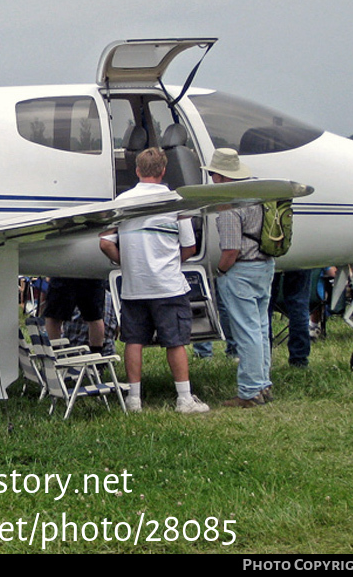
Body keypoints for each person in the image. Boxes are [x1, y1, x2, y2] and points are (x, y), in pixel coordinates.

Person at [98, 147, 208, 414]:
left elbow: (104, 242)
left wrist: (126, 261)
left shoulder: (122, 201)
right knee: (175, 340)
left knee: (134, 340)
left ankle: (133, 398)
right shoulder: (176, 201)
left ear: (137, 171)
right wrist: (171, 260)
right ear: (163, 171)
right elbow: (190, 247)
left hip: (135, 286)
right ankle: (184, 397)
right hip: (168, 284)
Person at [204, 148, 276, 408]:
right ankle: (263, 383)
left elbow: (231, 250)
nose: (212, 178)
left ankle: (249, 391)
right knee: (260, 328)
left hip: (241, 270)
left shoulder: (229, 205)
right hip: (265, 265)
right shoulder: (258, 194)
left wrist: (220, 271)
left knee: (246, 333)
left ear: (222, 177)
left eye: (213, 173)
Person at [43, 277, 105, 351]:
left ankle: (97, 355)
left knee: (95, 317)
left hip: (85, 272)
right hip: (71, 272)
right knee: (53, 316)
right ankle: (52, 353)